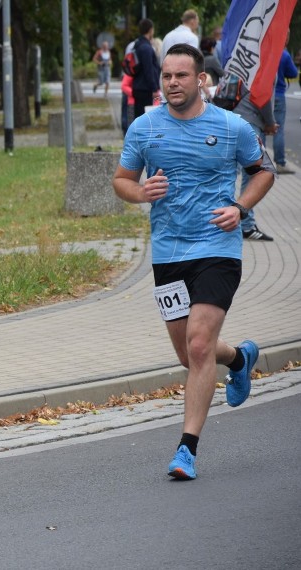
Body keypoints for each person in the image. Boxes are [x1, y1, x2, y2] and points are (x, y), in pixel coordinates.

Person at [112, 44, 274, 481]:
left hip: (218, 248)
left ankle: (186, 450)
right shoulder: (145, 128)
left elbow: (264, 171)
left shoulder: (231, 126)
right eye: (167, 76)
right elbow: (122, 181)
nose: (172, 83)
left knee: (200, 346)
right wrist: (140, 192)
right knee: (190, 355)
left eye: (182, 76)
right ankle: (239, 359)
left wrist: (239, 209)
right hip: (167, 252)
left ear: (201, 79)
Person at [232, 81, 280, 241]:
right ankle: (246, 225)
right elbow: (263, 98)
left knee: (230, 170)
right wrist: (270, 123)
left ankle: (234, 219)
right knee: (254, 174)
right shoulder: (266, 65)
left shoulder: (248, 59)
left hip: (233, 117)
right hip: (250, 121)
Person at [271, 37, 298, 175]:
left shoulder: (266, 51)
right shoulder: (284, 54)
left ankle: (257, 162)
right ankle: (280, 163)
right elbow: (293, 73)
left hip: (264, 94)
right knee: (278, 130)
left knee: (260, 129)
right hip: (279, 94)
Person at [132, 18, 161, 118]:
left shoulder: (137, 45)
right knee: (145, 118)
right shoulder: (146, 48)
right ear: (150, 30)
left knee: (139, 117)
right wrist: (154, 89)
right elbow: (148, 70)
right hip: (145, 89)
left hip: (138, 86)